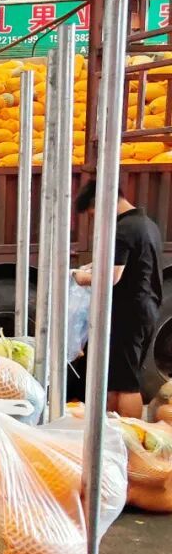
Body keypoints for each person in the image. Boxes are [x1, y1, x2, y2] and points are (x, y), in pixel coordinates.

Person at [73, 180, 163, 419]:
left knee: (126, 383)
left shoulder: (122, 229)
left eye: (93, 215)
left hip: (128, 313)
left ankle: (129, 434)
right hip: (143, 308)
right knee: (115, 379)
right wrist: (92, 266)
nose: (96, 221)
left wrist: (81, 277)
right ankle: (111, 430)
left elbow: (111, 276)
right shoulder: (146, 224)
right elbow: (128, 263)